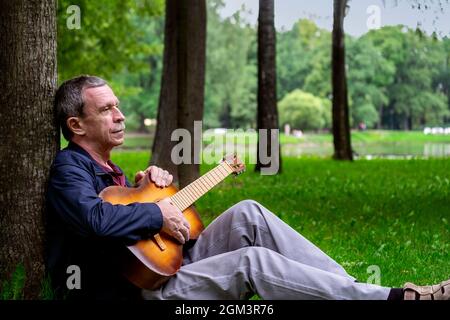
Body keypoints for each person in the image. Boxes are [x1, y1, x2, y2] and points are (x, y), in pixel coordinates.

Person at [46, 75, 449, 300]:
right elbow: (96, 220)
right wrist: (158, 212)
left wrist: (148, 192)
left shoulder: (111, 169)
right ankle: (396, 300)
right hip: (138, 295)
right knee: (250, 262)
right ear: (76, 125)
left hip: (168, 270)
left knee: (249, 212)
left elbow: (134, 224)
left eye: (117, 105)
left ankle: (354, 294)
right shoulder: (69, 168)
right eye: (106, 109)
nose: (120, 116)